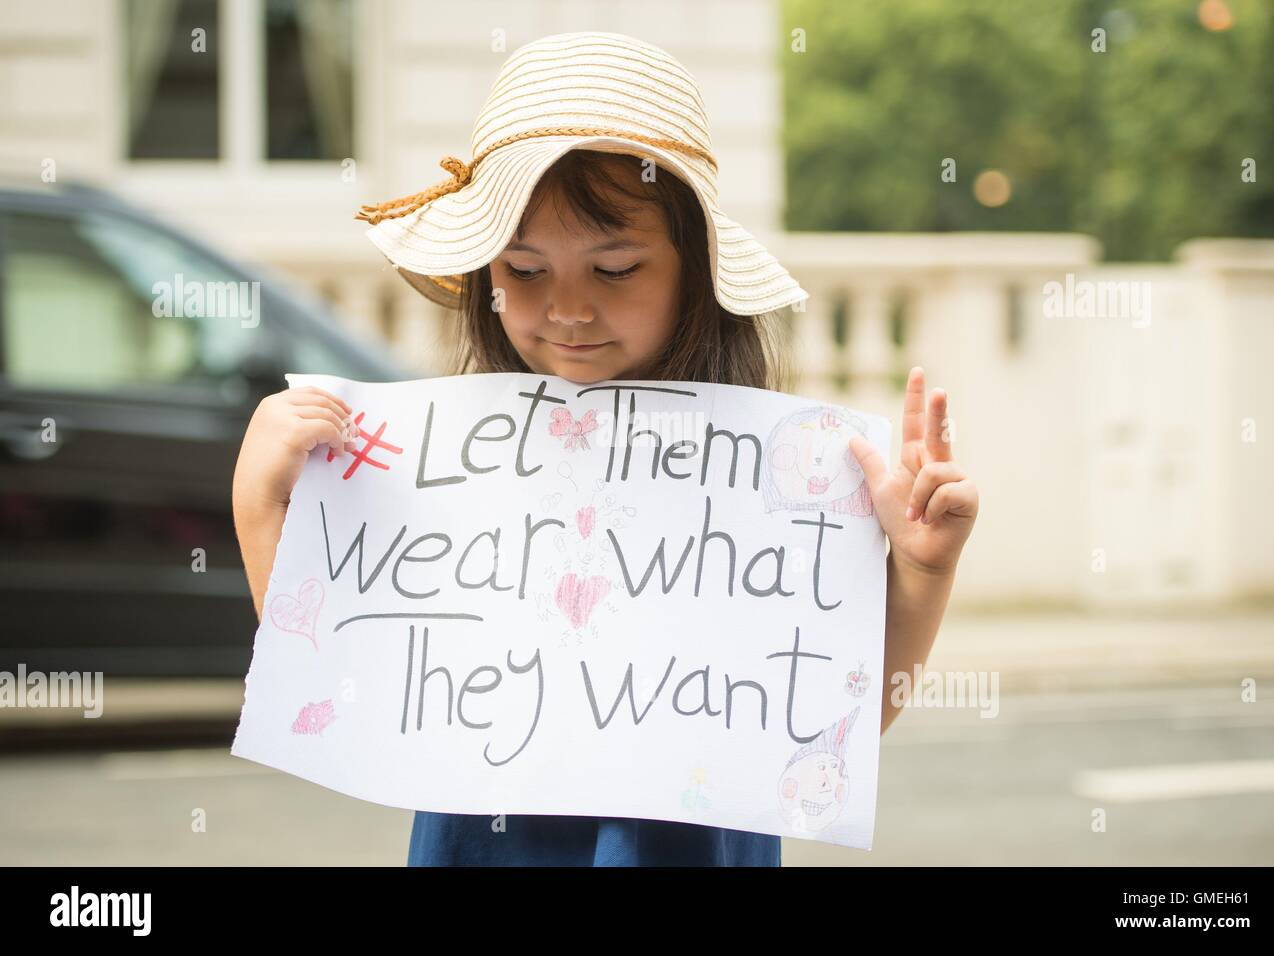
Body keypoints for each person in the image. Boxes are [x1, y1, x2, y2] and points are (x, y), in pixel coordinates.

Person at [231, 31, 978, 867]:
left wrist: (922, 573)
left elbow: (829, 722)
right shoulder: (437, 469)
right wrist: (259, 505)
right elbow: (354, 689)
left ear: (695, 273)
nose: (569, 309)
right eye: (525, 267)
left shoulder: (761, 479)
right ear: (486, 275)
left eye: (616, 269)